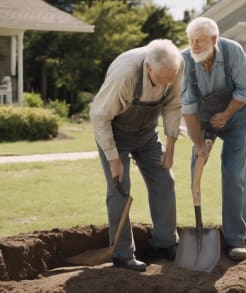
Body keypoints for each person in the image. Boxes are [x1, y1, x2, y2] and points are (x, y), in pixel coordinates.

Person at [89, 39, 184, 272]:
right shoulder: (125, 74)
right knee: (120, 190)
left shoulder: (175, 67)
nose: (168, 83)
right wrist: (113, 159)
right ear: (149, 68)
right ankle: (122, 255)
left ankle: (165, 242)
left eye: (171, 77)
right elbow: (100, 117)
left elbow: (173, 105)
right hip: (115, 133)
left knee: (164, 180)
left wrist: (170, 148)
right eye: (163, 78)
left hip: (147, 134)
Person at [181, 17, 246, 261]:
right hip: (202, 119)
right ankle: (197, 231)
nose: (194, 46)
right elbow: (189, 108)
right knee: (196, 169)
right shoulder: (184, 60)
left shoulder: (233, 51)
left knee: (234, 174)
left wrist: (227, 114)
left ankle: (236, 239)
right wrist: (198, 144)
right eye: (191, 40)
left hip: (236, 117)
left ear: (214, 40)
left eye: (200, 41)